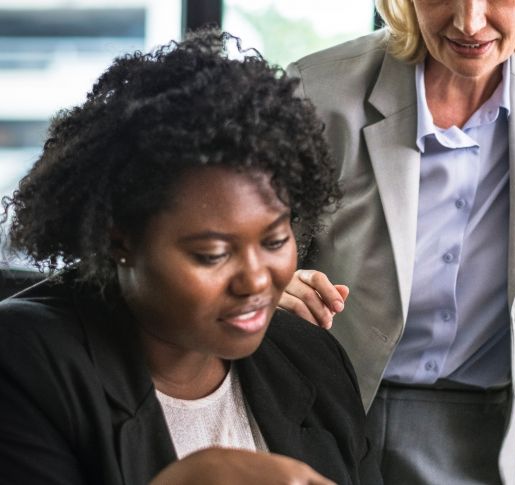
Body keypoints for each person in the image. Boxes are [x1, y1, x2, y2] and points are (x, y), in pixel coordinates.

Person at [0, 30, 381, 485]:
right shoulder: (24, 359)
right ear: (119, 239)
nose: (256, 281)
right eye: (213, 254)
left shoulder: (312, 359)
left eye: (275, 241)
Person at [279, 0, 515, 483]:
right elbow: (258, 253)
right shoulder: (319, 89)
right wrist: (277, 285)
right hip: (341, 397)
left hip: (508, 408)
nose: (469, 22)